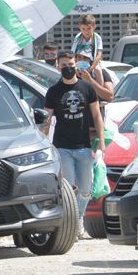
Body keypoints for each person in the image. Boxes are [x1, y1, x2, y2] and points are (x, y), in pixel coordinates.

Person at [44, 51, 105, 238]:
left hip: (84, 146)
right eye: (64, 65)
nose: (68, 68)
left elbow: (96, 115)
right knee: (69, 187)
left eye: (71, 64)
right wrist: (44, 143)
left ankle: (78, 218)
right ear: (58, 67)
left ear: (75, 65)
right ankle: (72, 224)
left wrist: (101, 142)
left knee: (86, 188)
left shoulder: (87, 88)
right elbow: (47, 119)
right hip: (62, 146)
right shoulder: (53, 91)